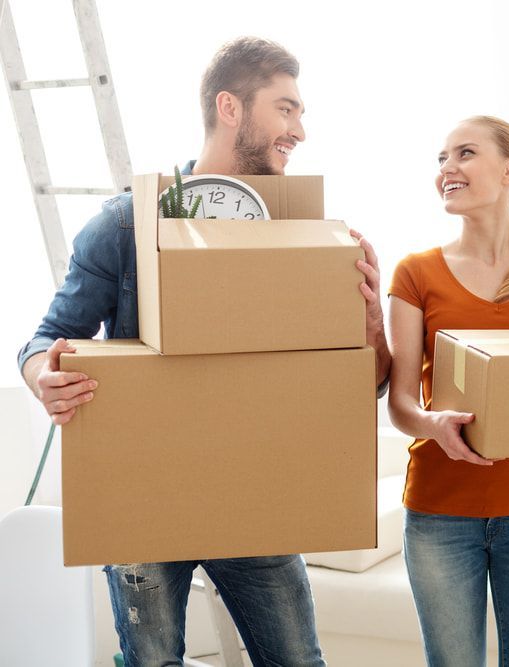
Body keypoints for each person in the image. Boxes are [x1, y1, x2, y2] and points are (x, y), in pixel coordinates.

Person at [17, 36, 390, 666]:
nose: (300, 129)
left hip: (256, 499)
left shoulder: (304, 236)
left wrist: (372, 324)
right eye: (286, 109)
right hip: (143, 500)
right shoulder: (125, 225)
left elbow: (365, 385)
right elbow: (45, 338)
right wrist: (40, 377)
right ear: (230, 107)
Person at [387, 115, 509, 666]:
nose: (447, 169)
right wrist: (433, 425)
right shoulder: (416, 274)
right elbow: (401, 401)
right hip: (439, 513)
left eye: (465, 154)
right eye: (441, 159)